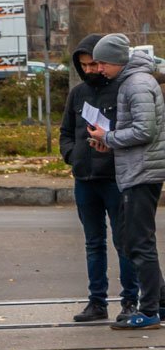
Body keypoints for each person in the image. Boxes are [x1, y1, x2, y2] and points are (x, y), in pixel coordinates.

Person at [87, 33, 165, 329]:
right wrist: (111, 143)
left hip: (142, 172)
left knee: (137, 242)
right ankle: (160, 301)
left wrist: (108, 137)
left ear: (118, 60)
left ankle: (148, 311)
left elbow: (145, 131)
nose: (99, 68)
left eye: (102, 62)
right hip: (139, 168)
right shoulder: (134, 82)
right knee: (136, 239)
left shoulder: (137, 84)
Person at [59, 35, 138, 322]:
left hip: (115, 178)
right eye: (84, 65)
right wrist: (72, 155)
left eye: (94, 64)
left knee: (124, 241)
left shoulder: (122, 90)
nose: (90, 69)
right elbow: (66, 132)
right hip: (84, 179)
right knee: (93, 243)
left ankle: (130, 300)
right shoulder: (77, 94)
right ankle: (97, 302)